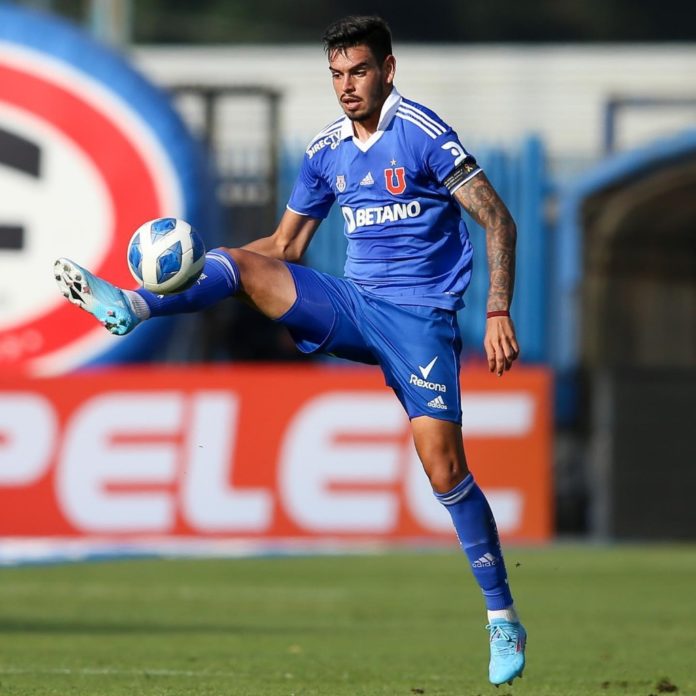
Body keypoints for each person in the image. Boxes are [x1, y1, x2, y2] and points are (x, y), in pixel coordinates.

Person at [54, 15, 526, 686]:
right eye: (336, 75)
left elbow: (497, 216)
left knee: (444, 469)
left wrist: (498, 306)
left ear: (388, 69)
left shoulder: (421, 133)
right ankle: (134, 303)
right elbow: (285, 248)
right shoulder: (327, 150)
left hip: (421, 321)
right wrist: (210, 271)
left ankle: (502, 616)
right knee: (238, 263)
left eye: (358, 72)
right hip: (357, 306)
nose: (346, 87)